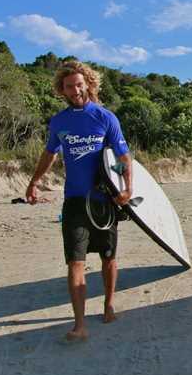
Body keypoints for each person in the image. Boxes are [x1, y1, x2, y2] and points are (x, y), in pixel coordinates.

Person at [25, 60, 132, 341]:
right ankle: (79, 324)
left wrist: (127, 190)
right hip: (74, 201)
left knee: (109, 258)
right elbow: (50, 154)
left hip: (104, 201)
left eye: (79, 84)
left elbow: (123, 157)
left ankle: (108, 305)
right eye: (70, 86)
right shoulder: (60, 122)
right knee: (76, 262)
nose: (76, 90)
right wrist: (34, 181)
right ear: (63, 90)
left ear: (89, 84)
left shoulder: (105, 117)